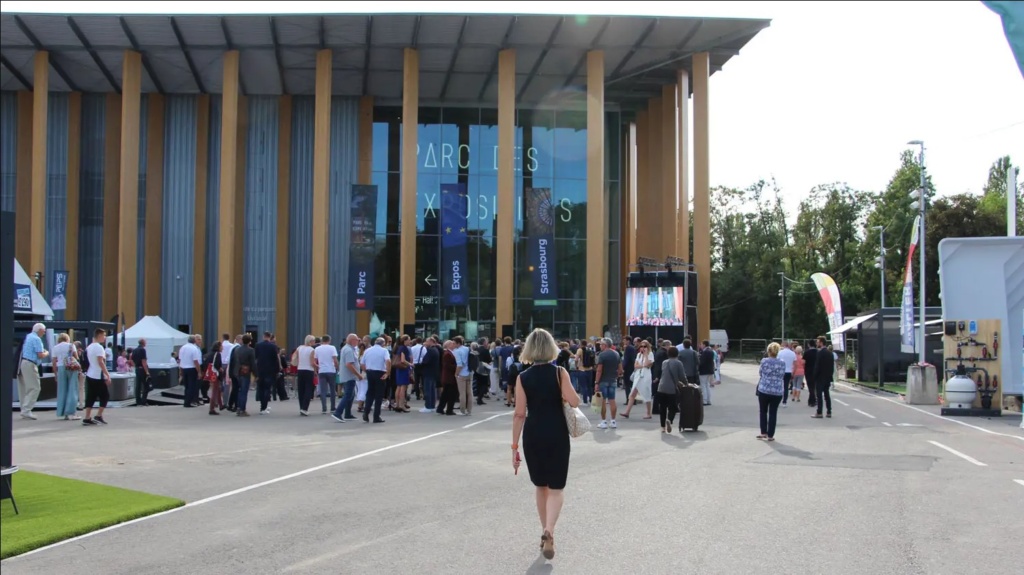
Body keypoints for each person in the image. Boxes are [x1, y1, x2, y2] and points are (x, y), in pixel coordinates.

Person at [511, 328, 580, 561]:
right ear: (551, 347)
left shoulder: (523, 377)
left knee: (540, 486)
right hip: (557, 433)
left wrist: (514, 447)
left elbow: (519, 414)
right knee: (556, 487)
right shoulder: (559, 373)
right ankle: (550, 531)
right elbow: (575, 400)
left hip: (533, 434)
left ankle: (544, 531)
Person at [17, 322, 49, 420]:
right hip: (31, 364)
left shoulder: (28, 337)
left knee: (26, 388)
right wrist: (47, 353)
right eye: (43, 331)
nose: (44, 333)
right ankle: (26, 410)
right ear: (39, 330)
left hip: (23, 363)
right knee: (35, 388)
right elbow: (40, 355)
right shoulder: (36, 339)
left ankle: (24, 409)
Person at [757, 342, 786, 440]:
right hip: (777, 390)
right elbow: (782, 375)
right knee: (773, 412)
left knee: (763, 411)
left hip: (764, 389)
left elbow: (760, 373)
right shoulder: (782, 362)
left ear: (768, 351)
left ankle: (763, 432)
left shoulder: (764, 361)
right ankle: (770, 435)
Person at [82, 328, 111, 425]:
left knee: (91, 396)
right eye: (104, 335)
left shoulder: (89, 347)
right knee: (105, 396)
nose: (105, 337)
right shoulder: (99, 347)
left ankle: (87, 417)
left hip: (90, 374)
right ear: (99, 336)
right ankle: (98, 415)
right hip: (98, 375)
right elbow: (100, 361)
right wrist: (107, 374)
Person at [333, 333, 364, 422]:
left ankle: (347, 413)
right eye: (357, 340)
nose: (358, 341)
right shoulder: (348, 350)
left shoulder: (349, 349)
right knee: (348, 395)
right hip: (349, 376)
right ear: (352, 340)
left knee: (351, 395)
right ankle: (338, 412)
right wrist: (358, 374)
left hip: (349, 376)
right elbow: (349, 364)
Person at [593, 338, 621, 429]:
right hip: (612, 380)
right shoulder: (616, 354)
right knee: (612, 400)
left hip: (603, 380)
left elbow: (599, 370)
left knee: (603, 401)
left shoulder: (602, 355)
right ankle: (613, 421)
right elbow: (620, 369)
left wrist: (596, 382)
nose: (600, 346)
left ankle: (604, 421)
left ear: (605, 345)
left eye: (601, 344)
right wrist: (615, 376)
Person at [361, 337, 392, 423]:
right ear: (383, 343)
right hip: (380, 372)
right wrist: (387, 373)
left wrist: (366, 371)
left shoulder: (367, 350)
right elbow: (388, 361)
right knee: (379, 394)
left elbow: (362, 363)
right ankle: (376, 416)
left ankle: (366, 412)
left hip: (370, 371)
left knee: (370, 393)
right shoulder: (384, 351)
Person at [621, 340, 654, 419]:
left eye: (644, 346)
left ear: (648, 347)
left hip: (645, 376)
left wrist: (645, 355)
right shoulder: (639, 355)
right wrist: (642, 365)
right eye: (641, 346)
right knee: (632, 394)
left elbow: (647, 364)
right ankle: (627, 412)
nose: (642, 348)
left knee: (646, 394)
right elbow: (635, 365)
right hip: (638, 376)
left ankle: (648, 413)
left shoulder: (650, 354)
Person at [51, 333, 81, 420]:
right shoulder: (71, 346)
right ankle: (72, 412)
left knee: (62, 390)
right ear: (67, 338)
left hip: (60, 368)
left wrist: (55, 374)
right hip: (71, 367)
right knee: (72, 389)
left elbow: (54, 362)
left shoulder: (55, 347)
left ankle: (63, 412)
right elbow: (76, 358)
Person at [657, 346, 687, 433]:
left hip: (661, 387)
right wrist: (686, 384)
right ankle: (669, 420)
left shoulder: (664, 362)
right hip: (671, 389)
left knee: (662, 408)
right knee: (673, 407)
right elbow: (682, 376)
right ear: (677, 354)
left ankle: (662, 427)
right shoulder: (678, 363)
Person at [231, 334, 257, 417]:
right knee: (244, 391)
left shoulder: (237, 349)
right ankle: (242, 409)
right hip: (245, 372)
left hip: (237, 371)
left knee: (239, 390)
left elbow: (234, 361)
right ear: (249, 341)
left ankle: (238, 407)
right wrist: (255, 373)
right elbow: (253, 363)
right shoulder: (251, 350)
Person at [314, 334, 339, 414]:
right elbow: (335, 360)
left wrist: (316, 369)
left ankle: (324, 408)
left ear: (322, 340)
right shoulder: (332, 348)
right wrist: (337, 368)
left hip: (322, 370)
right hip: (331, 370)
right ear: (329, 340)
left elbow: (315, 360)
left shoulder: (317, 349)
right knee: (332, 390)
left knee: (323, 390)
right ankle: (332, 407)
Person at [292, 336, 317, 416]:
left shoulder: (299, 348)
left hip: (300, 369)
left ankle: (301, 407)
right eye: (313, 341)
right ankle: (305, 408)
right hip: (309, 370)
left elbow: (294, 356)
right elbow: (312, 363)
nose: (314, 342)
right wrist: (317, 367)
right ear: (311, 341)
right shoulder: (312, 350)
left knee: (301, 389)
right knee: (308, 389)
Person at [812, 337, 835, 419]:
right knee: (826, 394)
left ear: (821, 342)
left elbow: (817, 366)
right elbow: (832, 366)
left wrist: (814, 376)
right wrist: (830, 376)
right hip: (827, 377)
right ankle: (829, 411)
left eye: (818, 342)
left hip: (820, 377)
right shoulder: (830, 353)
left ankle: (819, 412)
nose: (817, 343)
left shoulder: (820, 353)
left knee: (819, 395)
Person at [178, 335, 203, 408]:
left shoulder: (183, 347)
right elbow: (195, 361)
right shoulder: (194, 348)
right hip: (192, 368)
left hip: (184, 368)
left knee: (186, 386)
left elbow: (180, 360)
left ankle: (186, 400)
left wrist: (180, 370)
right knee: (192, 386)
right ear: (194, 341)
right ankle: (188, 402)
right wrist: (199, 371)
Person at [438, 340, 458, 416]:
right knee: (451, 394)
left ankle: (440, 408)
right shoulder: (447, 354)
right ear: (448, 345)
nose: (454, 344)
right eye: (452, 343)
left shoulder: (450, 353)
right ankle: (449, 410)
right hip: (449, 377)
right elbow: (447, 366)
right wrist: (457, 367)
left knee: (445, 394)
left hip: (448, 377)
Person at [131, 339, 151, 407]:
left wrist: (135, 366)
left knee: (138, 385)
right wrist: (147, 371)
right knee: (146, 385)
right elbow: (143, 361)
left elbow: (132, 359)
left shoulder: (135, 350)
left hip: (137, 368)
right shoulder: (142, 350)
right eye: (145, 341)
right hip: (142, 369)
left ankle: (138, 401)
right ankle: (143, 401)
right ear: (143, 343)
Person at [777, 341, 797, 407]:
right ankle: (784, 401)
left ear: (784, 345)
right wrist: (793, 373)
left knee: (779, 386)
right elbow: (795, 364)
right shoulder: (793, 353)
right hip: (789, 371)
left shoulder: (780, 352)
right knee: (786, 387)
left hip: (781, 371)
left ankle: (778, 400)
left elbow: (777, 362)